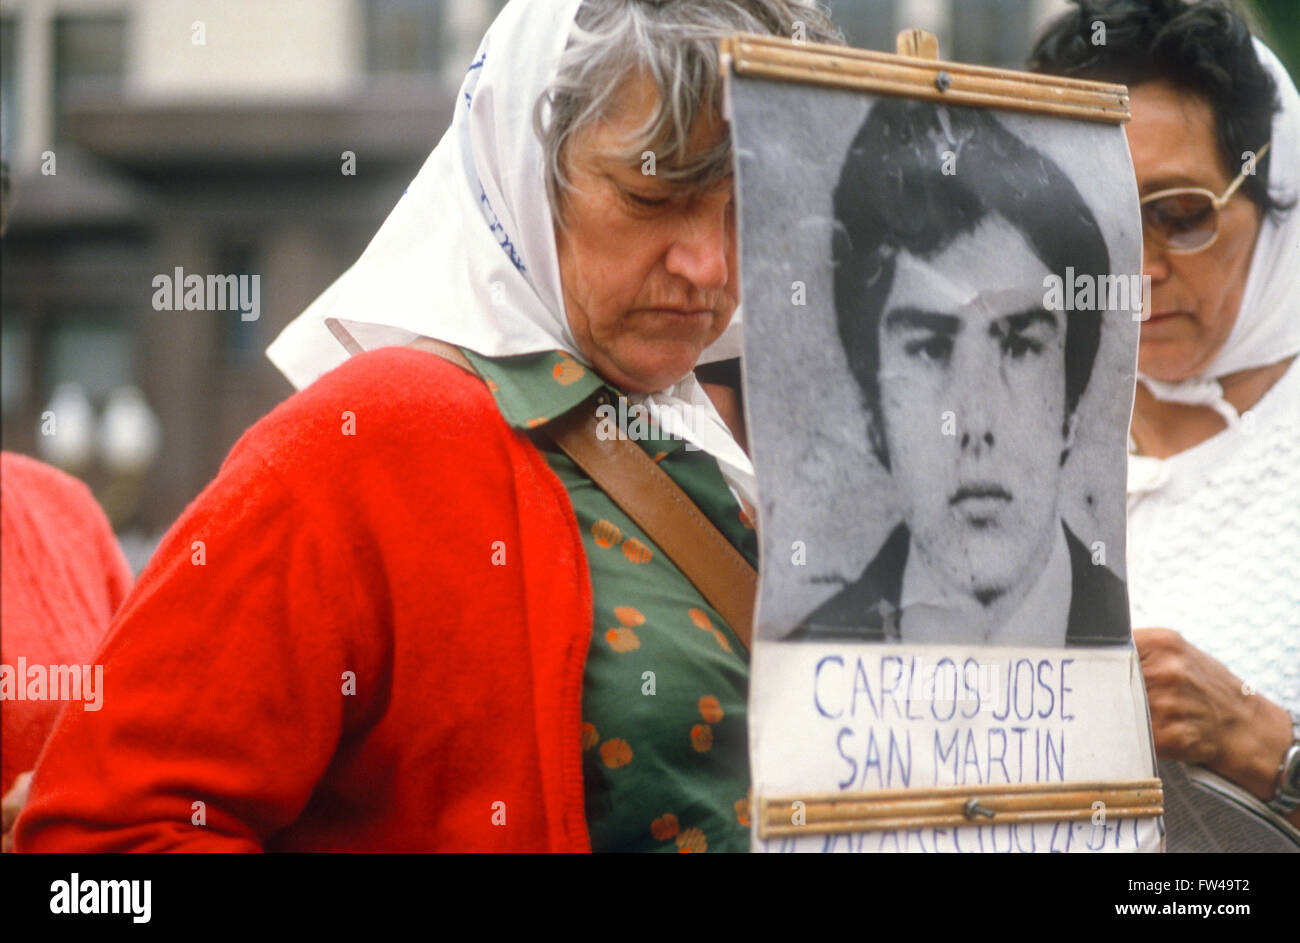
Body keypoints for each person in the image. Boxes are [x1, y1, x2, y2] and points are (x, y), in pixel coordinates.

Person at [15, 0, 841, 853]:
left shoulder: (724, 453)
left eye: (748, 207)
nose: (708, 262)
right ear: (526, 168)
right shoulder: (372, 436)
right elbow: (97, 844)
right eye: (652, 194)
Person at [1031, 0, 1300, 835]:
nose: (1134, 271)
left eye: (1180, 214)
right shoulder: (1010, 420)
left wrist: (1269, 748)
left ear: (1275, 195)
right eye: (1092, 220)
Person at [787, 99, 1130, 648]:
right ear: (873, 414)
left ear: (1073, 405)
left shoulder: (1146, 643)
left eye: (1020, 347)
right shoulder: (801, 665)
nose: (974, 422)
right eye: (928, 350)